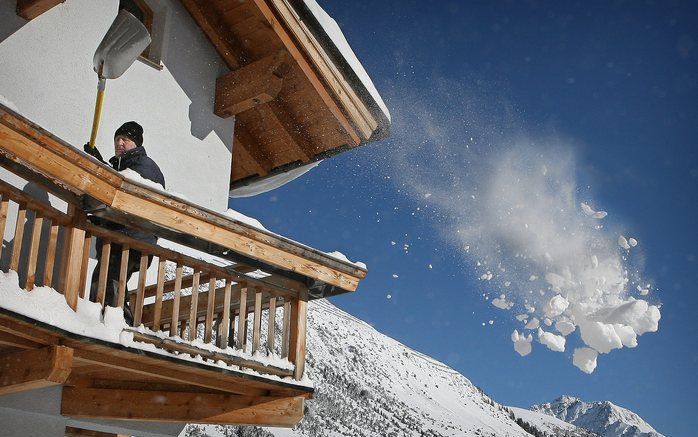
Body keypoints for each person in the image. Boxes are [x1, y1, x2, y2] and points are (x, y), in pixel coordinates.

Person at [83, 121, 165, 325]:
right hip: (121, 237)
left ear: (136, 144)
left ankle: (116, 324)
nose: (120, 143)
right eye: (117, 139)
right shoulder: (124, 166)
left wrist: (101, 169)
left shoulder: (145, 166)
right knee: (109, 281)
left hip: (132, 239)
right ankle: (109, 321)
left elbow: (124, 190)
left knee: (110, 281)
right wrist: (99, 163)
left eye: (125, 140)